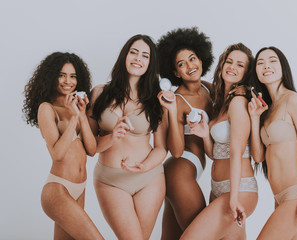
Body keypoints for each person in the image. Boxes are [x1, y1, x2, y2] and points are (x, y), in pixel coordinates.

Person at [88, 34, 167, 240]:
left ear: (150, 64)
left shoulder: (156, 99)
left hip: (150, 179)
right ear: (125, 55)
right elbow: (89, 147)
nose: (138, 58)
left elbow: (161, 148)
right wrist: (112, 138)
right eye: (133, 52)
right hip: (111, 180)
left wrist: (145, 166)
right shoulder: (99, 93)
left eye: (145, 55)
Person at [180, 43, 258, 240]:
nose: (232, 67)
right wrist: (205, 134)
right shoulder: (221, 103)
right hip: (218, 189)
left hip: (238, 190)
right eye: (229, 61)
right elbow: (215, 154)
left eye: (240, 65)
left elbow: (236, 152)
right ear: (222, 64)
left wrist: (233, 198)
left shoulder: (238, 102)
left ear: (246, 72)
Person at [22, 52, 103, 239]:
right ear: (51, 77)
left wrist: (81, 114)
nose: (68, 81)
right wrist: (73, 117)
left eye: (73, 76)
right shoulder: (46, 109)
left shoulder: (78, 107)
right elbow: (57, 153)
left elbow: (91, 150)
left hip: (80, 188)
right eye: (62, 75)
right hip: (58, 189)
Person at [248, 47, 297, 239]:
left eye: (272, 61)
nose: (266, 66)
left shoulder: (293, 100)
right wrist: (255, 119)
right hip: (280, 199)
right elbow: (258, 156)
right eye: (260, 63)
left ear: (282, 67)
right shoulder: (267, 110)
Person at [157, 27, 214, 239]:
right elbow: (177, 151)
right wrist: (171, 112)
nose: (190, 66)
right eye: (182, 64)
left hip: (189, 172)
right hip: (179, 170)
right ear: (175, 72)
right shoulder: (177, 100)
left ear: (201, 59)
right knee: (203, 234)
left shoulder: (209, 88)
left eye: (192, 58)